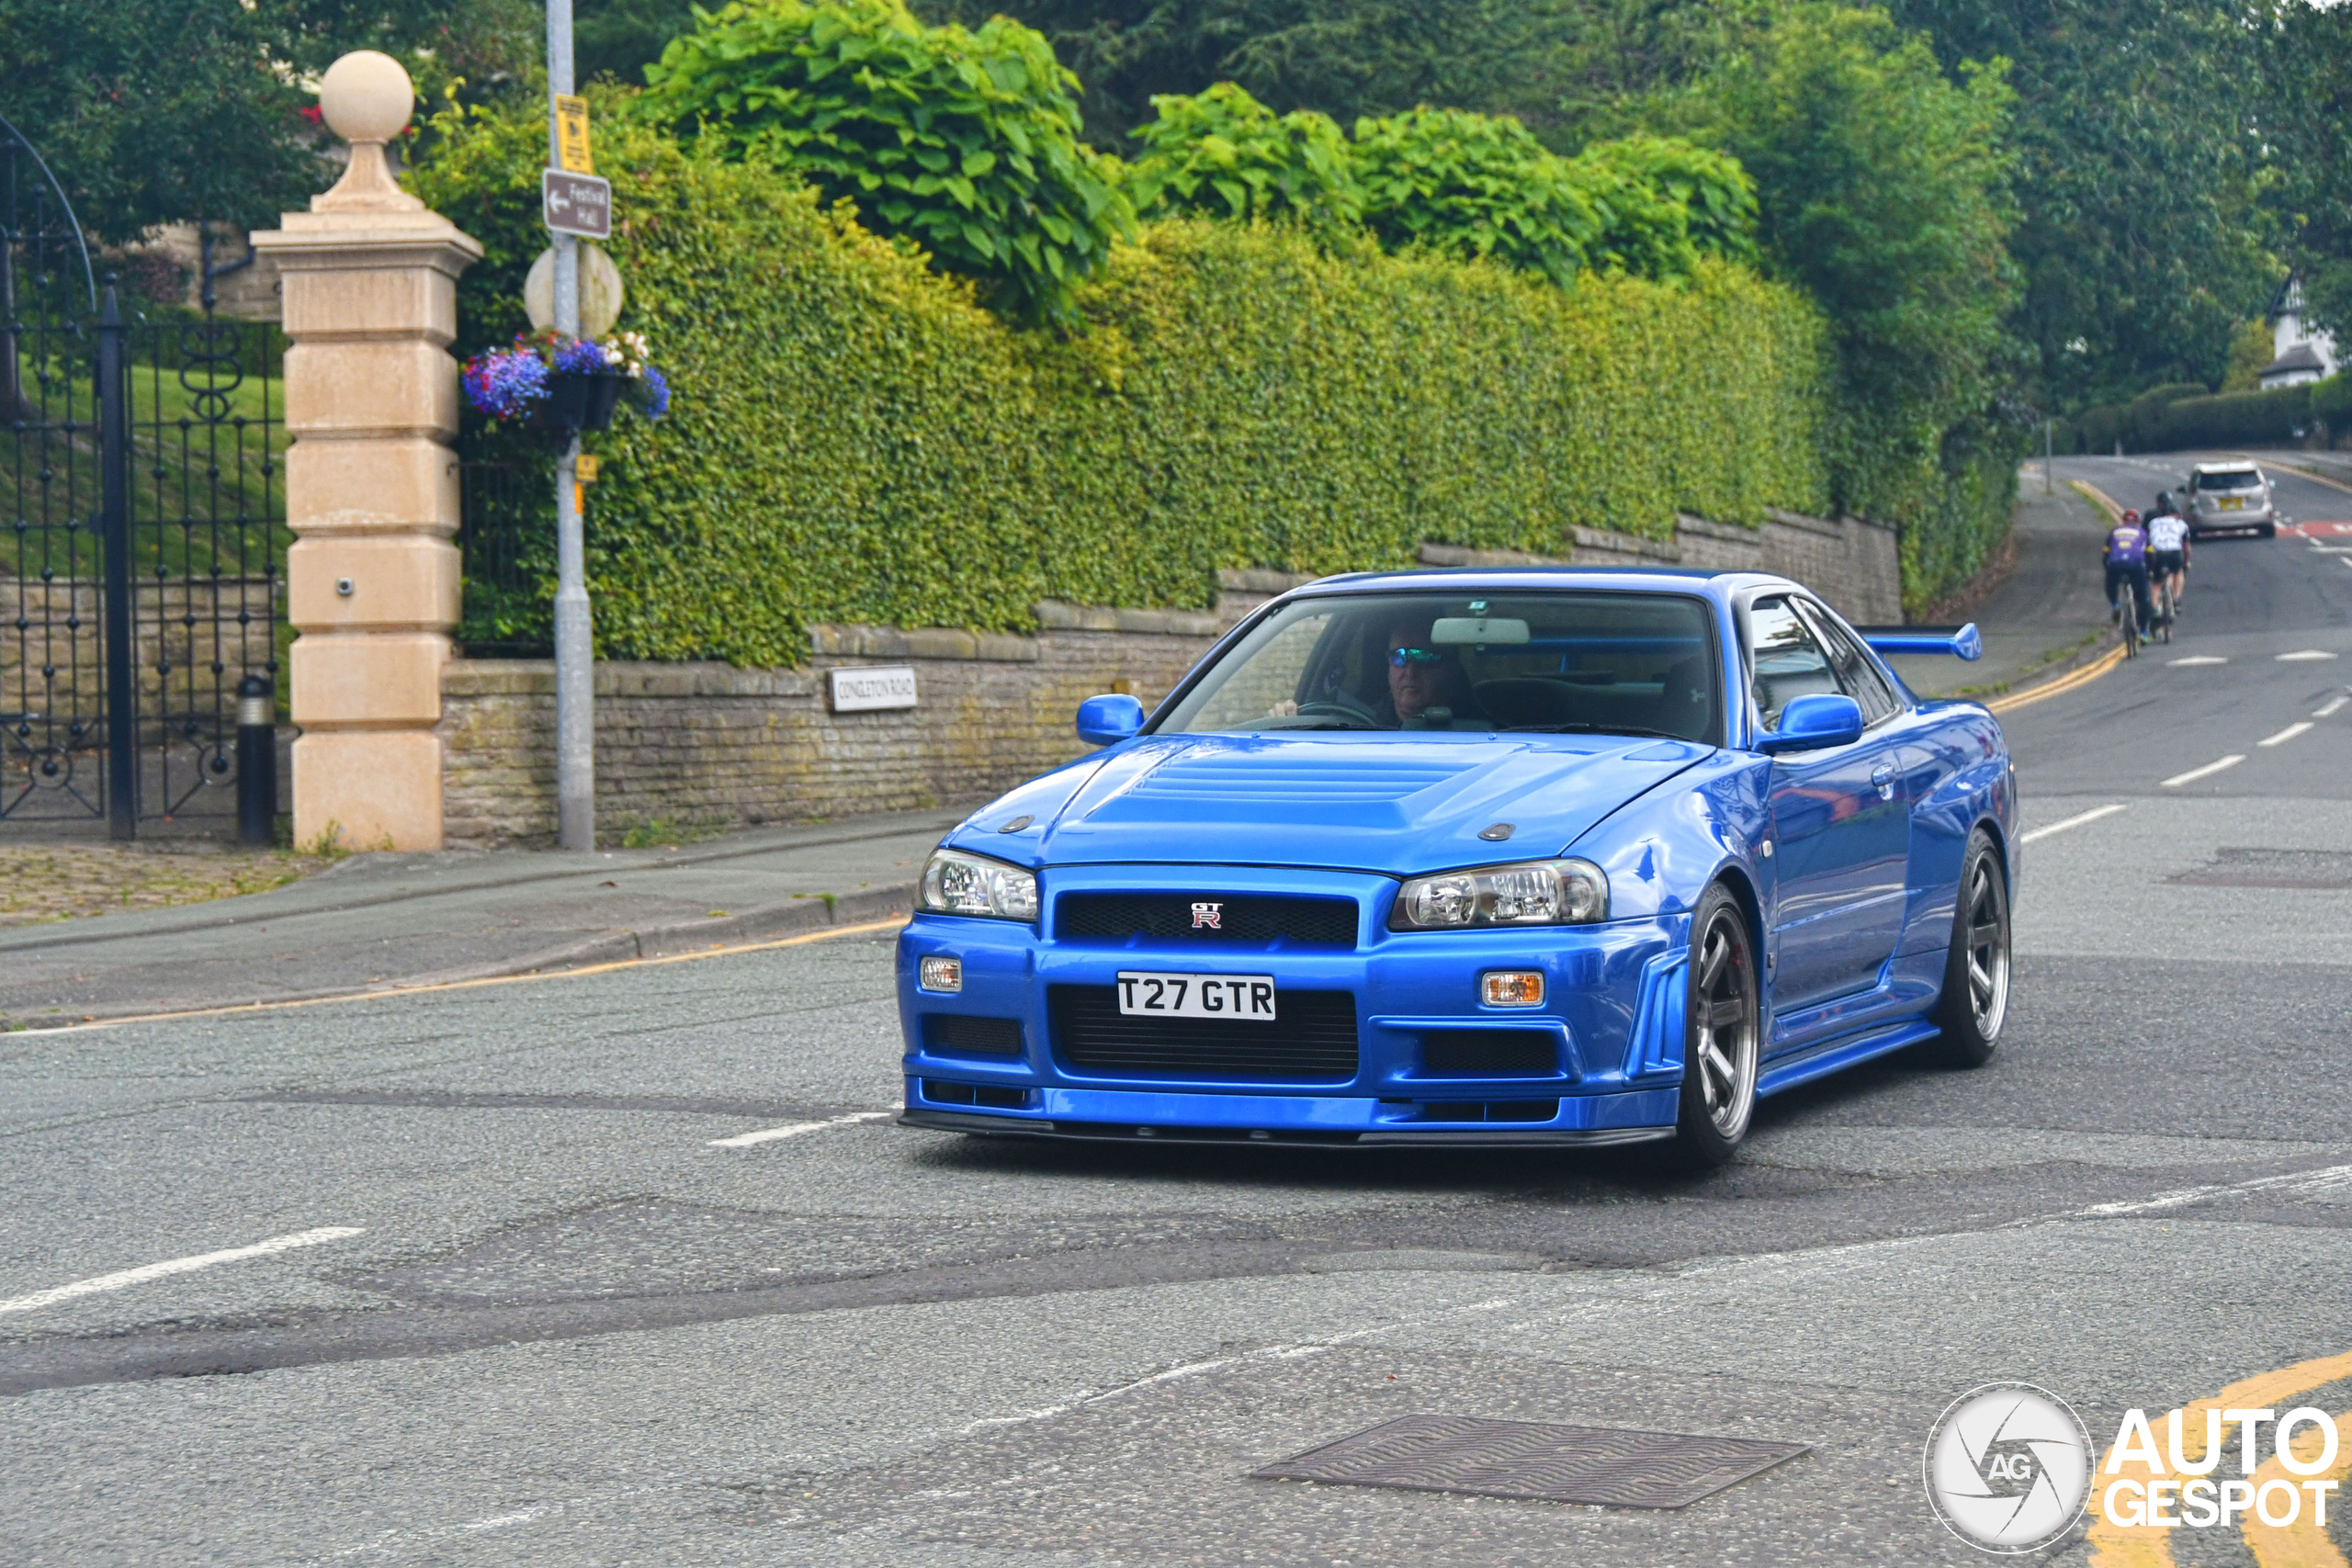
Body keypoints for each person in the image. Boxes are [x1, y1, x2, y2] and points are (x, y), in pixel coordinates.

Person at [1384, 615, 1467, 728]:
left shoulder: (1477, 730)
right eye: (1399, 656)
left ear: (1452, 670)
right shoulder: (1365, 723)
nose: (1410, 672)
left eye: (1425, 657)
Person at [2103, 507, 2153, 639]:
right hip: (2136, 565)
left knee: (2110, 584)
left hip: (2116, 564)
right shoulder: (2142, 532)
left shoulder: (2114, 532)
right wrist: (2150, 571)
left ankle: (2115, 604)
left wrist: (2108, 570)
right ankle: (2143, 633)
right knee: (2143, 599)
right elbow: (2150, 554)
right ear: (2138, 521)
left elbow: (2106, 554)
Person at [2146, 494, 2189, 610]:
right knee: (2178, 571)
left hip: (2158, 553)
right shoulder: (2180, 524)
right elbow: (2186, 546)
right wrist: (2186, 562)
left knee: (2156, 582)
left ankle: (2155, 608)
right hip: (2175, 552)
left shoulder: (2153, 522)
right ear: (2176, 515)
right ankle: (2176, 598)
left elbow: (2148, 541)